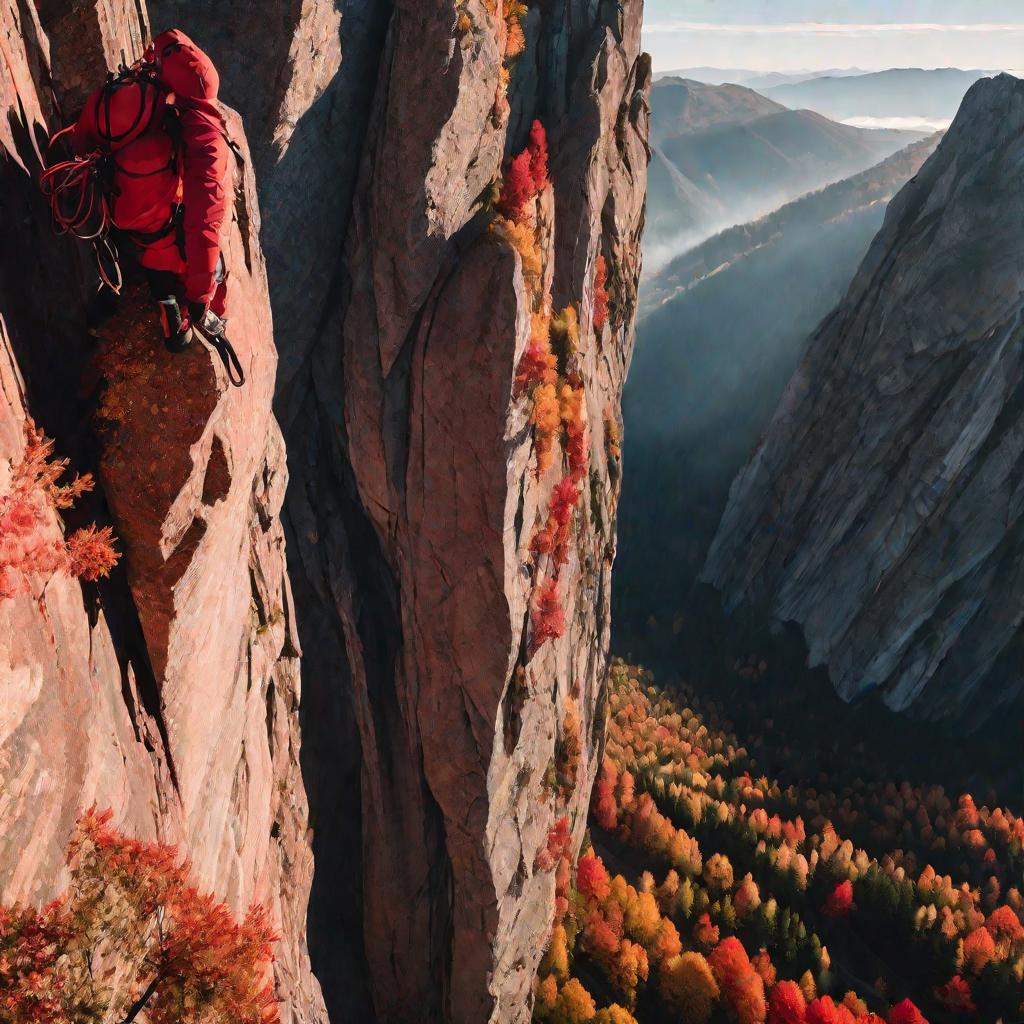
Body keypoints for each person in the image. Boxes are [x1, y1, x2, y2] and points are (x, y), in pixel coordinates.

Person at [43, 29, 232, 359]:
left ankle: (158, 300)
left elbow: (84, 140)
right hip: (147, 225)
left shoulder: (139, 90)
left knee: (158, 235)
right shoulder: (206, 142)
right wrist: (203, 299)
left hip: (110, 201)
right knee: (198, 260)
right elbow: (206, 219)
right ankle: (174, 313)